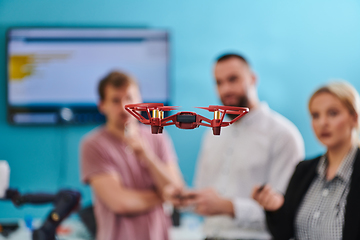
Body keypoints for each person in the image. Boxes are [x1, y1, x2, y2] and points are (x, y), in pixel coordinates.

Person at [184, 53, 305, 239]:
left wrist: (229, 207)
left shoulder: (283, 135)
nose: (226, 89)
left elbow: (284, 211)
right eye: (219, 82)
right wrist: (183, 198)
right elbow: (202, 193)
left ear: (253, 79)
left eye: (233, 79)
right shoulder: (212, 135)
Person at [80, 71, 183, 240]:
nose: (124, 106)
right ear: (102, 105)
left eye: (129, 98)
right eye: (115, 100)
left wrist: (147, 156)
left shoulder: (158, 137)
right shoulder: (93, 145)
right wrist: (164, 195)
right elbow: (121, 203)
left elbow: (178, 191)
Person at [252, 81, 360, 240]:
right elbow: (284, 233)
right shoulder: (304, 170)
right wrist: (275, 208)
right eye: (315, 115)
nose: (323, 123)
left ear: (354, 118)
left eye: (333, 113)